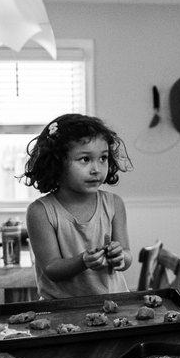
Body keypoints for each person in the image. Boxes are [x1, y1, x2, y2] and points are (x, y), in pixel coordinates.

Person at [22, 113, 134, 299]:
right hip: (60, 311)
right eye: (85, 159)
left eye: (103, 158)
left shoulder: (114, 204)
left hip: (112, 305)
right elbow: (52, 268)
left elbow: (127, 255)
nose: (96, 169)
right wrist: (83, 261)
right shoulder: (40, 211)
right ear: (57, 162)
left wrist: (120, 257)